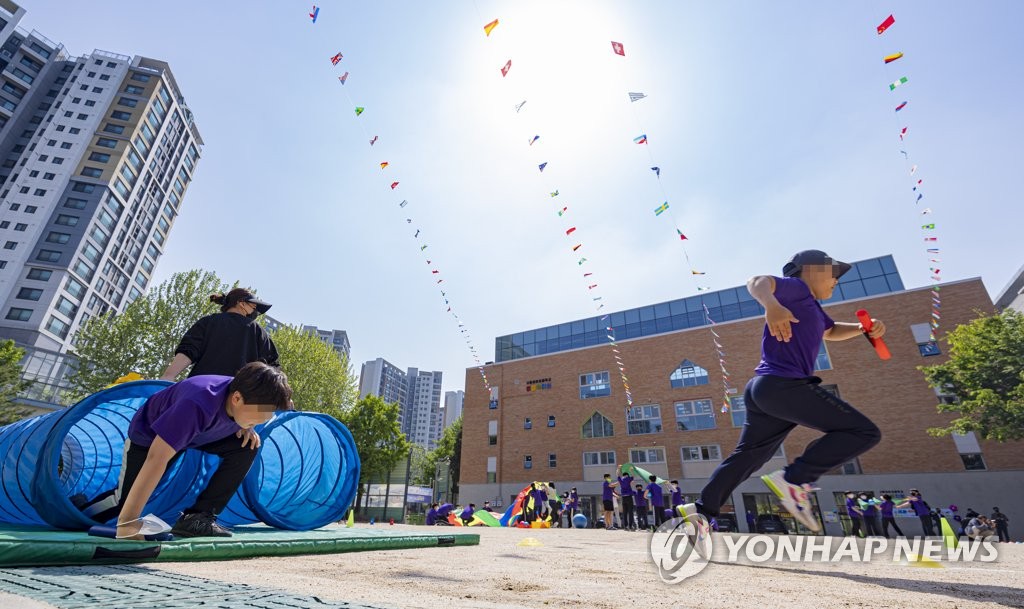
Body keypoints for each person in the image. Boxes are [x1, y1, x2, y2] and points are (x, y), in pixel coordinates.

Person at [675, 251, 884, 533]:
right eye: (832, 274)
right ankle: (795, 479)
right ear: (810, 270)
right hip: (784, 385)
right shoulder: (796, 289)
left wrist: (862, 329)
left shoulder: (813, 307)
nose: (836, 280)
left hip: (765, 390)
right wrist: (771, 305)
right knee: (863, 432)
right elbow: (757, 281)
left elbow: (831, 331)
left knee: (750, 455)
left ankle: (701, 510)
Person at [107, 362, 293, 539]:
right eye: (254, 419)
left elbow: (251, 412)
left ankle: (197, 517)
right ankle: (81, 507)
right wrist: (127, 523)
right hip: (150, 436)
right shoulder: (197, 402)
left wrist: (247, 425)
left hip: (200, 434)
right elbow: (156, 458)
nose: (257, 423)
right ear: (236, 398)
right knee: (122, 505)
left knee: (247, 445)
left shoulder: (246, 397)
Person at [160, 288, 278, 381]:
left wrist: (168, 376)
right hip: (239, 398)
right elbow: (271, 368)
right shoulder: (257, 330)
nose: (255, 311)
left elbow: (188, 350)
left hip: (200, 389)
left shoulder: (208, 321)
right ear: (242, 303)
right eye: (254, 307)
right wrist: (284, 398)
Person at [617, 466, 636, 531]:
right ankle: (630, 526)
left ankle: (625, 526)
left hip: (623, 498)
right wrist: (631, 470)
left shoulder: (621, 480)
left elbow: (617, 474)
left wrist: (619, 469)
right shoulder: (628, 479)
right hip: (629, 497)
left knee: (624, 512)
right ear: (627, 475)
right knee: (630, 512)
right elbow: (633, 476)